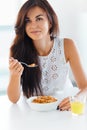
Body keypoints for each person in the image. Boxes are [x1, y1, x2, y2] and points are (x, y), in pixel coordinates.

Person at [7, 0, 87, 111]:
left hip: (63, 109)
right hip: (33, 112)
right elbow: (13, 99)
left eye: (39, 19)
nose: (33, 25)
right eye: (27, 21)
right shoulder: (17, 50)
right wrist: (15, 76)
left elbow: (85, 86)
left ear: (50, 21)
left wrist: (77, 98)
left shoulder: (67, 45)